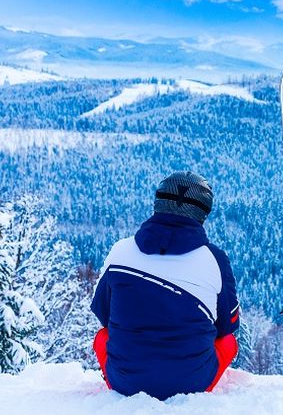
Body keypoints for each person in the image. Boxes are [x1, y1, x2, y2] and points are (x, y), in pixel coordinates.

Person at [90, 171, 240, 400]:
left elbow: (104, 315)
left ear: (158, 202)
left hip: (125, 382)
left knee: (103, 337)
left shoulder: (120, 252)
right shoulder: (215, 260)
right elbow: (227, 328)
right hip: (194, 383)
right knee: (228, 344)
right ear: (203, 212)